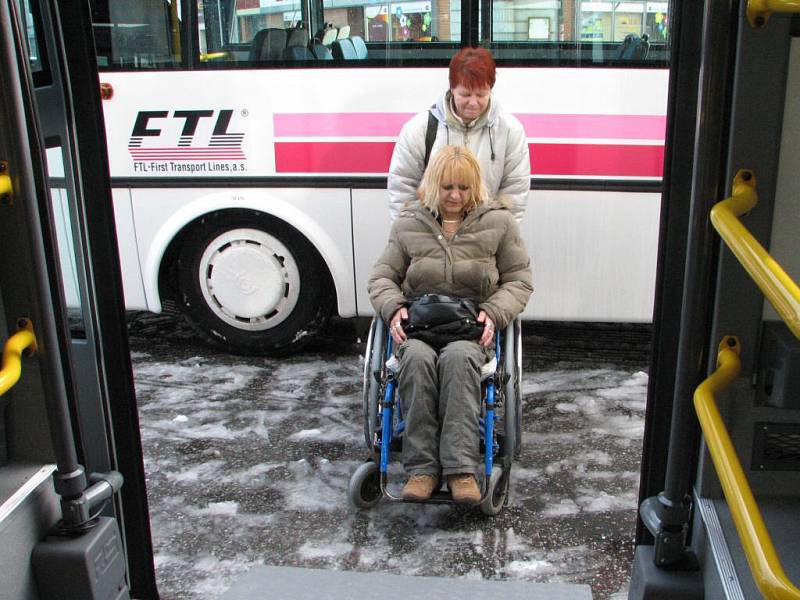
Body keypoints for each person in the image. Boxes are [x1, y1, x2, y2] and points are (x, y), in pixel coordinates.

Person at [368, 145, 533, 504]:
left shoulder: (499, 223)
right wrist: (394, 307)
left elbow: (519, 280)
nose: (455, 196)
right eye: (446, 188)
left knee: (458, 361)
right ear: (432, 186)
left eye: (462, 187)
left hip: (470, 330)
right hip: (420, 328)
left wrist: (494, 311)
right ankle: (422, 470)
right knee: (414, 360)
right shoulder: (410, 223)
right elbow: (382, 276)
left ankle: (460, 471)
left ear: (475, 186)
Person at [387, 47, 530, 223]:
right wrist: (412, 238)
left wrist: (498, 238)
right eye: (465, 94)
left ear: (490, 91)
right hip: (431, 239)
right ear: (452, 89)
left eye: (481, 94)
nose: (473, 102)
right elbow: (401, 190)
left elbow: (514, 195)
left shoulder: (511, 131)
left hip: (484, 240)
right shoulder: (419, 129)